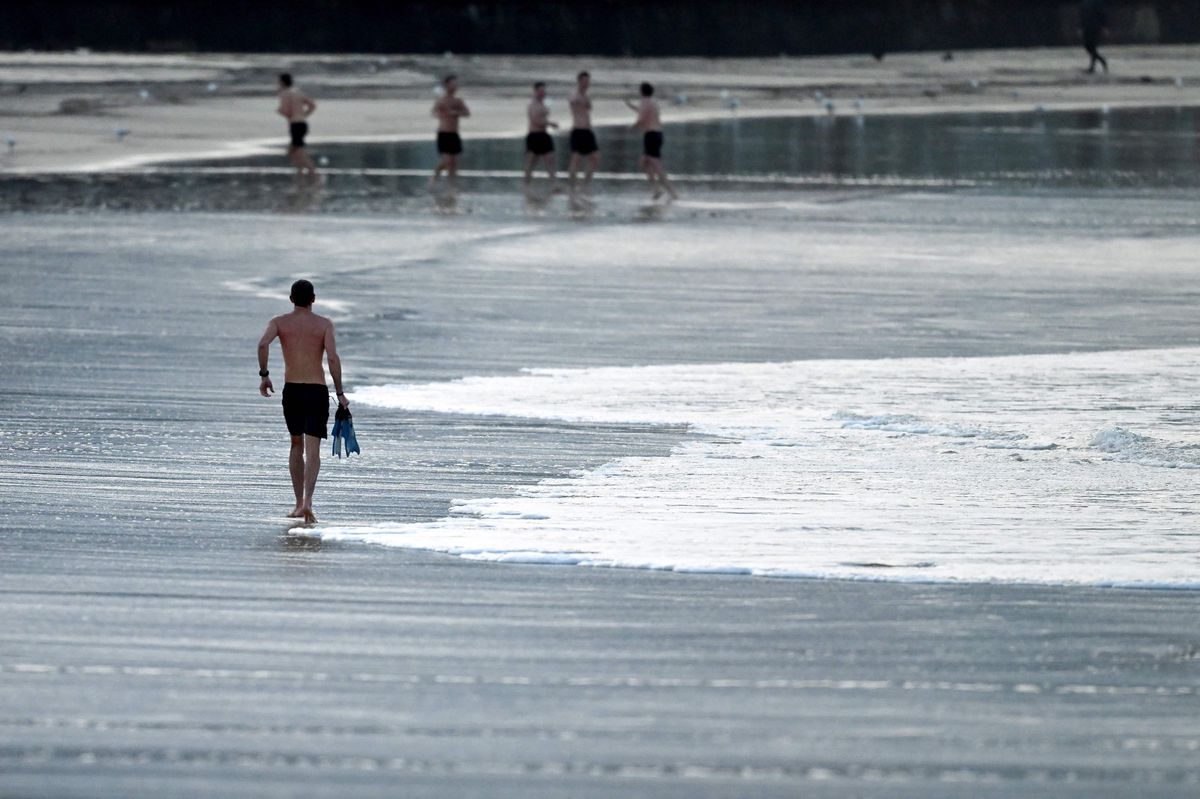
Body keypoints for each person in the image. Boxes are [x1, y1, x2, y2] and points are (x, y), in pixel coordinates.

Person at [257, 279, 349, 525]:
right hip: (316, 390)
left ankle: (298, 504)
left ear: (291, 299)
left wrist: (264, 375)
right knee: (313, 449)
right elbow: (332, 359)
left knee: (296, 445)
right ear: (313, 299)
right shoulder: (324, 325)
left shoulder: (279, 322)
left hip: (293, 390)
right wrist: (339, 392)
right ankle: (308, 501)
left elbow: (263, 344)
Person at [625, 82, 678, 201]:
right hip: (658, 134)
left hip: (651, 136)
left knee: (656, 166)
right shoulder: (653, 102)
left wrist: (631, 128)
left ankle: (673, 193)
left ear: (641, 92)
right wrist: (631, 106)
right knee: (644, 162)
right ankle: (657, 189)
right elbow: (643, 111)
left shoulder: (644, 102)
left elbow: (641, 119)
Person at [430, 74, 470, 191]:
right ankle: (436, 178)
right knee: (446, 161)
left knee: (454, 162)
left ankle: (451, 184)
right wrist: (443, 113)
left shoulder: (458, 101)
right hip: (444, 133)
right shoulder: (441, 100)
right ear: (447, 85)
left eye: (456, 84)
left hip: (454, 134)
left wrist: (456, 112)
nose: (455, 86)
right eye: (453, 84)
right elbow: (434, 113)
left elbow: (467, 113)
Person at [276, 73, 318, 177]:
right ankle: (300, 172)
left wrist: (280, 112)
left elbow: (286, 110)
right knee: (293, 150)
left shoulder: (285, 93)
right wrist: (305, 114)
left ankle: (313, 172)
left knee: (298, 151)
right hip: (302, 123)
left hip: (295, 124)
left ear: (282, 82)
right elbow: (312, 105)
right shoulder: (297, 92)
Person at [567, 71, 600, 193]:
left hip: (588, 131)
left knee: (595, 158)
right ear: (579, 81)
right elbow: (572, 101)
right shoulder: (575, 96)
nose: (587, 83)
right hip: (578, 130)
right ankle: (572, 186)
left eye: (588, 81)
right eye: (585, 81)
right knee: (575, 158)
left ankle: (584, 184)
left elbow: (589, 108)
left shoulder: (586, 96)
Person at [523, 81, 559, 191]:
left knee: (550, 160)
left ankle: (553, 184)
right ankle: (526, 184)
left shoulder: (544, 103)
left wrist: (548, 121)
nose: (543, 93)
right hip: (534, 135)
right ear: (535, 91)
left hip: (544, 135)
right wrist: (549, 123)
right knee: (532, 162)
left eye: (544, 91)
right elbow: (535, 120)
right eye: (540, 91)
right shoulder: (532, 105)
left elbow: (544, 116)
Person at [1081, 0, 1109, 74]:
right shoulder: (1084, 2)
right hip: (1087, 26)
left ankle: (1094, 66)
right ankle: (1100, 61)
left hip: (1095, 26)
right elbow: (1082, 15)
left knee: (1091, 46)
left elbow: (1102, 14)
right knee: (1089, 46)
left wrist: (1104, 26)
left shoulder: (1097, 2)